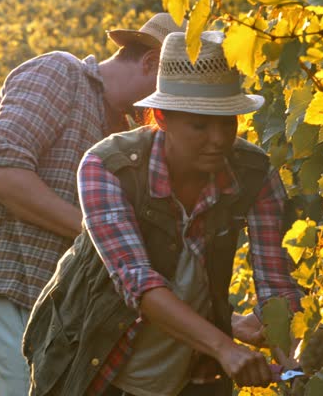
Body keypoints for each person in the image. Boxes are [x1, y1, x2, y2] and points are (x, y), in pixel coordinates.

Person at [22, 31, 302, 396]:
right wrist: (225, 348)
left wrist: (293, 362)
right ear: (160, 117)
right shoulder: (106, 167)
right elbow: (138, 282)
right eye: (200, 124)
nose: (218, 138)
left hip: (190, 371)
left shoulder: (254, 173)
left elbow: (275, 286)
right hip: (96, 360)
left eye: (227, 121)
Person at [0, 13, 185, 396]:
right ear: (151, 63)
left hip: (64, 307)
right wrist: (104, 234)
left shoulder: (121, 133)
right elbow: (2, 173)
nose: (163, 109)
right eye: (166, 91)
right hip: (16, 283)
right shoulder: (60, 73)